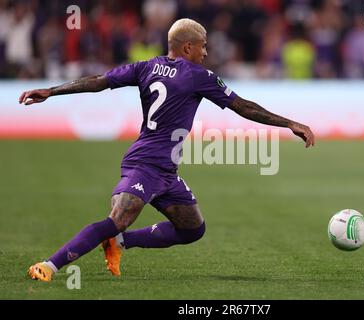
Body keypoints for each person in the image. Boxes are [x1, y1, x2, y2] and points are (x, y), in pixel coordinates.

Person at [19, 18, 315, 282]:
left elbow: (98, 82)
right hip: (145, 163)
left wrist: (52, 90)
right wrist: (289, 123)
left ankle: (119, 242)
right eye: (203, 47)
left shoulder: (145, 67)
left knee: (192, 229)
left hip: (166, 170)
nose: (206, 53)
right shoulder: (200, 76)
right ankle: (49, 265)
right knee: (117, 218)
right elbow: (243, 106)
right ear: (188, 47)